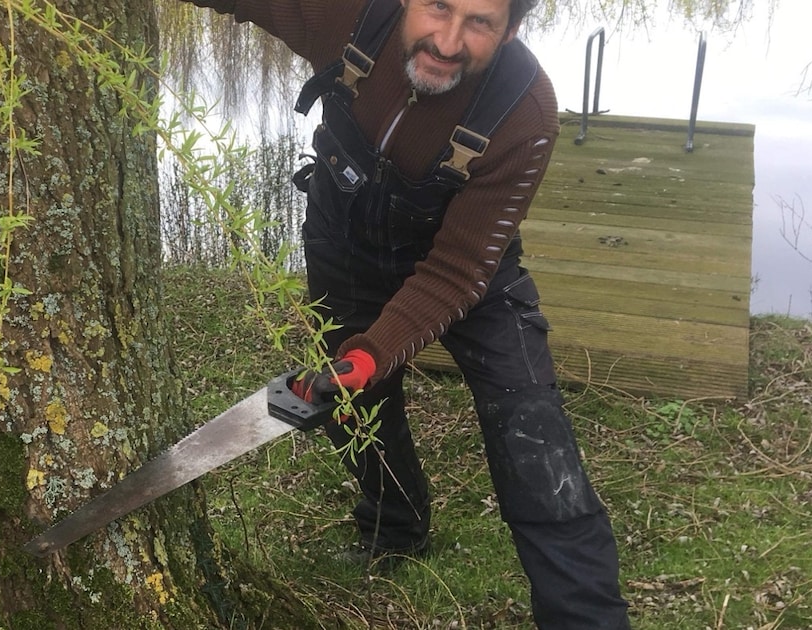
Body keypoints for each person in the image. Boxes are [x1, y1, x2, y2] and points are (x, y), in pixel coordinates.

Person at [185, 0, 632, 627]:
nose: (448, 41)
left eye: (480, 22)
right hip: (344, 245)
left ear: (513, 28)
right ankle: (395, 526)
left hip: (468, 270)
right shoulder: (348, 16)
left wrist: (378, 347)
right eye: (438, 6)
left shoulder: (524, 113)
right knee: (353, 399)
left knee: (534, 436)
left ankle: (584, 615)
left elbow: (456, 271)